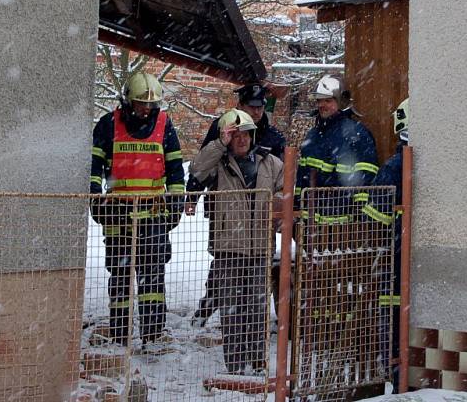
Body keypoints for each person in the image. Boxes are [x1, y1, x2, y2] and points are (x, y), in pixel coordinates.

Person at [89, 72, 185, 348]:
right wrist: (96, 201)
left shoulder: (165, 126)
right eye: (141, 104)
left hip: (154, 216)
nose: (147, 110)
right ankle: (120, 335)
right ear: (127, 102)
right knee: (120, 278)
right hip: (118, 216)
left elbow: (176, 170)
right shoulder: (108, 125)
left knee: (153, 279)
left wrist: (175, 205)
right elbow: (95, 169)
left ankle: (153, 335)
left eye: (152, 106)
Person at [190, 109, 284, 375]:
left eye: (246, 134)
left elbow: (286, 189)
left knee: (257, 309)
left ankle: (256, 364)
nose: (242, 139)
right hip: (229, 248)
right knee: (232, 311)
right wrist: (219, 142)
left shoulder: (270, 162)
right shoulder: (219, 165)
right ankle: (235, 365)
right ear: (228, 138)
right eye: (236, 135)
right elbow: (197, 169)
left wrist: (279, 207)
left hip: (259, 248)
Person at [294, 74, 379, 219]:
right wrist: (296, 210)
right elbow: (303, 176)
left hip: (343, 224)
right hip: (311, 225)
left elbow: (366, 178)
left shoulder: (356, 134)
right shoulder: (313, 135)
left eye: (328, 100)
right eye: (319, 101)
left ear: (341, 101)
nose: (321, 105)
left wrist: (360, 218)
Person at [370, 97, 408, 385]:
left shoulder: (394, 166)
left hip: (394, 257)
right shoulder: (418, 164)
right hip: (406, 258)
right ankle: (401, 372)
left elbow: (375, 213)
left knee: (392, 320)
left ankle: (395, 372)